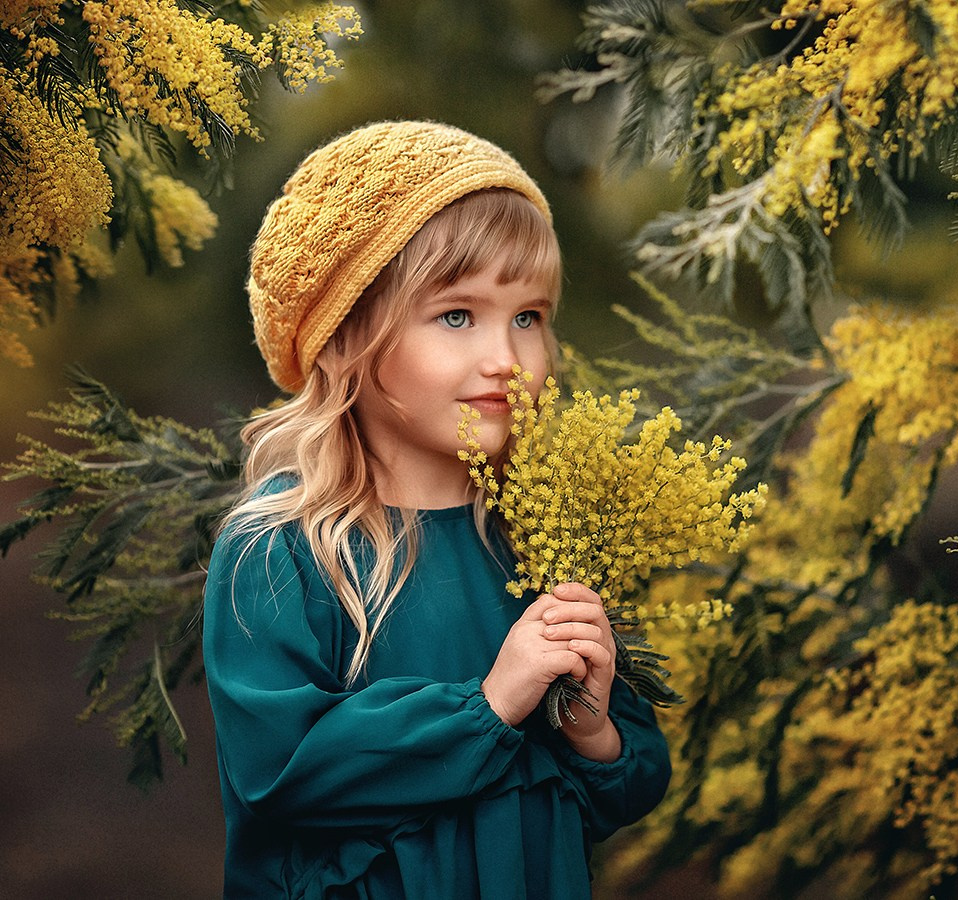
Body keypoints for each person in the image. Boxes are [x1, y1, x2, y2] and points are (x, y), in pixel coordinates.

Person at [202, 121, 671, 899]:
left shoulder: (538, 530)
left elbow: (624, 790)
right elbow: (278, 774)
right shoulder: (282, 547)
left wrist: (591, 726)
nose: (506, 357)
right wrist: (489, 705)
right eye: (458, 316)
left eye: (529, 317)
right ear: (344, 337)